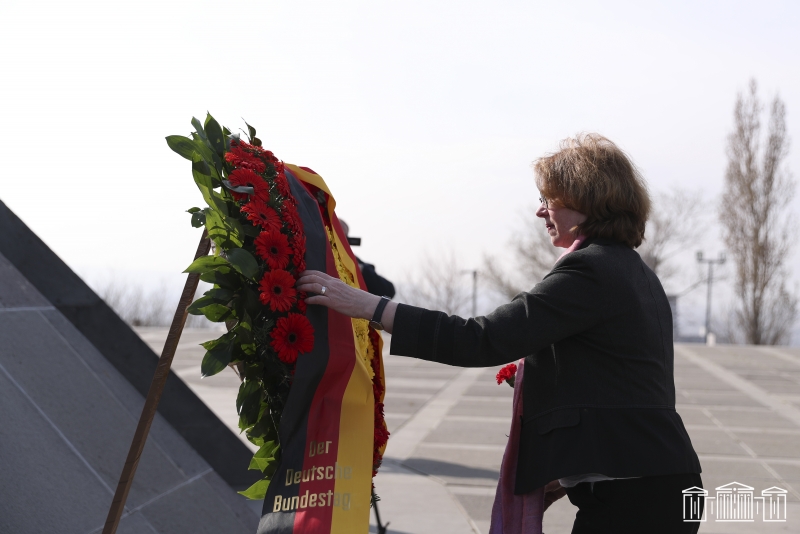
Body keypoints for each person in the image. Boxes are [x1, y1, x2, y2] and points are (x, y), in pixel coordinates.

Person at [297, 134, 703, 533]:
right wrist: (574, 470)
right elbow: (623, 385)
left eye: (549, 199)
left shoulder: (591, 270)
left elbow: (482, 339)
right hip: (653, 484)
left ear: (588, 200)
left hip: (636, 496)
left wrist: (371, 306)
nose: (540, 211)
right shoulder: (630, 269)